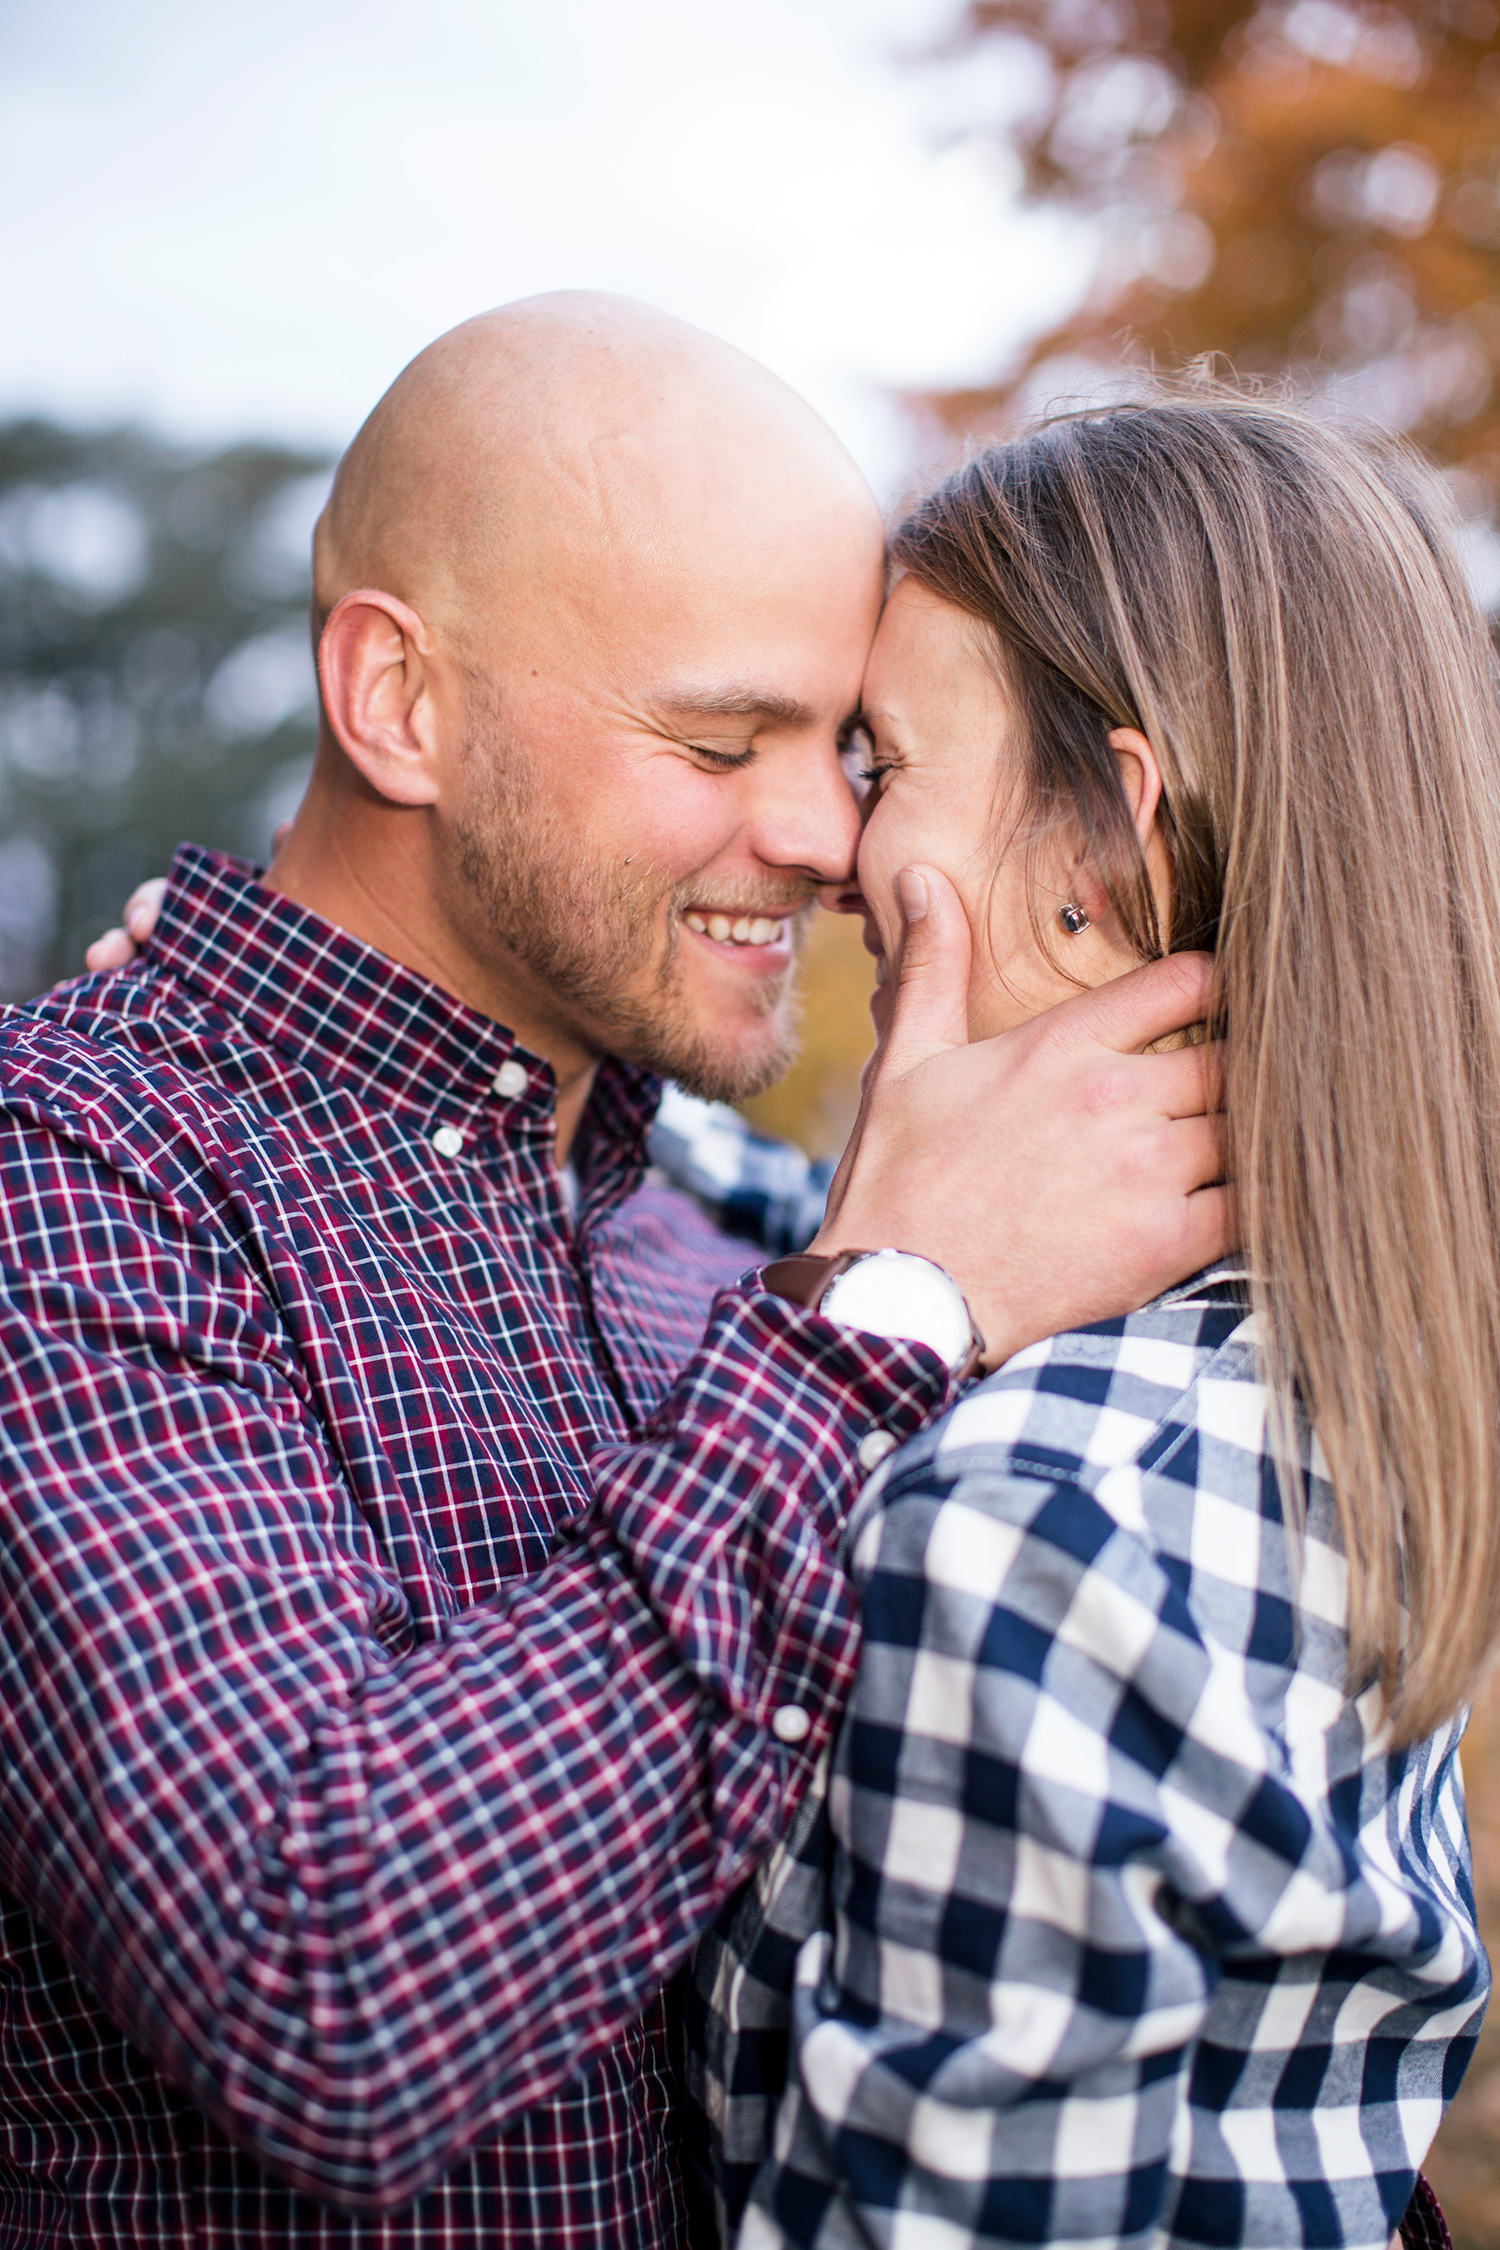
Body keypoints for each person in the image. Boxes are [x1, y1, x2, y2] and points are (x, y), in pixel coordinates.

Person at [0, 296, 1229, 2248]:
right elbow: (327, 1985)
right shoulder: (71, 1173)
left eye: (847, 747)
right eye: (720, 740)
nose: (825, 839)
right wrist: (883, 1304)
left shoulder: (714, 1219)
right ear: (397, 700)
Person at [686, 394, 1494, 2250]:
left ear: (1109, 844)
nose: (832, 845)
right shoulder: (1339, 1354)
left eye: (885, 761)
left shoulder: (1028, 1538)